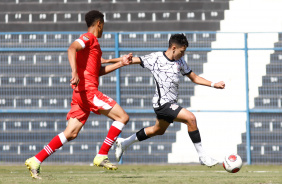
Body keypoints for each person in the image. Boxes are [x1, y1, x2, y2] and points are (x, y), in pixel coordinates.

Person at [25, 10, 132, 179]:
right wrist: (74, 72)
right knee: (122, 117)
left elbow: (98, 70)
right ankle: (102, 154)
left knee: (71, 133)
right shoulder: (89, 38)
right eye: (103, 25)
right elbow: (71, 48)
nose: (104, 28)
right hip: (88, 92)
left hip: (80, 94)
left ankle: (36, 160)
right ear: (99, 24)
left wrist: (121, 62)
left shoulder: (94, 45)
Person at [109, 33, 225, 167]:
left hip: (171, 104)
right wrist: (106, 61)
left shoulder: (180, 61)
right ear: (174, 48)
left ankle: (124, 142)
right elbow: (129, 61)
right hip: (162, 104)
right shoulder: (155, 58)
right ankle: (203, 156)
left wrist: (213, 84)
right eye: (182, 51)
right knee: (191, 119)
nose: (183, 54)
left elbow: (194, 77)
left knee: (158, 130)